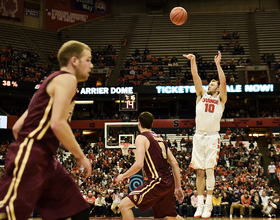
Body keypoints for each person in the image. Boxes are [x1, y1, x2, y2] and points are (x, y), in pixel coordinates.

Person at [0, 40, 93, 220]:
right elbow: (58, 124)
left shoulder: (48, 85)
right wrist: (80, 156)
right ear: (74, 61)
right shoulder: (68, 78)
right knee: (9, 214)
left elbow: (18, 127)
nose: (91, 65)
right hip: (33, 154)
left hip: (44, 158)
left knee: (76, 209)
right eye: (88, 60)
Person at [115, 111, 185, 220]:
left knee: (124, 206)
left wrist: (123, 175)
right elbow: (175, 164)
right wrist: (178, 187)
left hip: (157, 181)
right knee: (171, 216)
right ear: (152, 124)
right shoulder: (160, 139)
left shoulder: (141, 137)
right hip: (168, 182)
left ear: (139, 124)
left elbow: (139, 165)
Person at [183, 51, 227, 219]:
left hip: (212, 137)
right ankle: (200, 205)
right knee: (199, 172)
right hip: (199, 136)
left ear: (217, 89)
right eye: (209, 84)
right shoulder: (201, 95)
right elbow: (195, 76)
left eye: (212, 85)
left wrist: (218, 65)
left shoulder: (221, 99)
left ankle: (208, 205)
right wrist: (193, 61)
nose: (210, 85)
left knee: (209, 170)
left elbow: (223, 81)